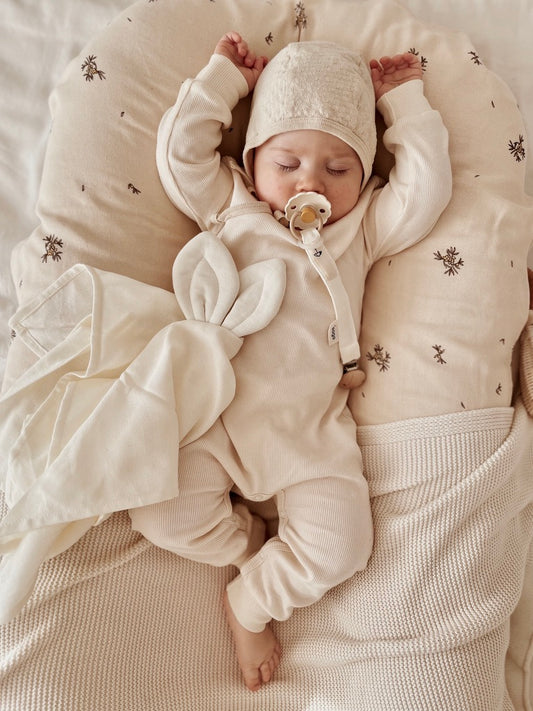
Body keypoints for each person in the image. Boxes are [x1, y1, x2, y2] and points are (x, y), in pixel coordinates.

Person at [129, 32, 452, 691]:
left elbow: (425, 192)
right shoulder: (232, 206)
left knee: (343, 545)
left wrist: (405, 106)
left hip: (309, 431)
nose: (310, 180)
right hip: (213, 415)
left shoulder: (356, 228)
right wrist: (223, 83)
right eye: (288, 162)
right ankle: (247, 548)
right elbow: (178, 153)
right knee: (156, 508)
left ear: (364, 178)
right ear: (251, 164)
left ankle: (251, 598)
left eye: (338, 168)